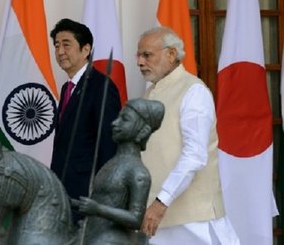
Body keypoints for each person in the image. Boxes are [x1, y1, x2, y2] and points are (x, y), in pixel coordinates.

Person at [137, 26, 240, 245]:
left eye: (147, 55)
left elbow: (194, 155)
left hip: (194, 222)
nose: (140, 62)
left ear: (171, 54)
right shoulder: (148, 94)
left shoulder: (194, 91)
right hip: (157, 220)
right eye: (139, 55)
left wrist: (161, 202)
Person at [50, 18, 121, 225]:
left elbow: (109, 145)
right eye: (56, 45)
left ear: (86, 49)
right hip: (64, 190)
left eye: (66, 44)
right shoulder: (67, 89)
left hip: (88, 194)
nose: (60, 51)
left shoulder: (101, 86)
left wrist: (103, 199)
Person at [72, 98, 164, 245]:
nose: (115, 123)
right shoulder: (111, 163)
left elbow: (136, 219)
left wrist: (97, 209)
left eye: (125, 120)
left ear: (142, 131)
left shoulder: (138, 172)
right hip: (91, 233)